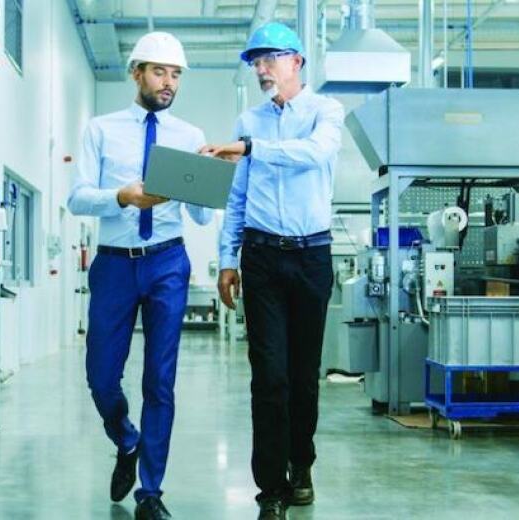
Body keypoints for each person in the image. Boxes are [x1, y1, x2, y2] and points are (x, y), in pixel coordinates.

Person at [202, 21, 345, 520]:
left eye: (269, 59)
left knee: (304, 376)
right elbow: (237, 199)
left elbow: (316, 154)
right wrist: (226, 259)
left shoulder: (326, 112)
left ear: (296, 62)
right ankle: (271, 490)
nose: (261, 69)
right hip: (261, 259)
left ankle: (301, 464)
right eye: (255, 61)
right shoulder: (250, 119)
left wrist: (252, 149)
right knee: (269, 377)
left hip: (312, 257)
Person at [67, 31, 212, 520]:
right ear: (136, 73)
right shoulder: (101, 129)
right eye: (159, 71)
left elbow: (202, 218)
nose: (168, 82)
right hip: (113, 262)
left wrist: (205, 181)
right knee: (101, 376)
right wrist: (122, 196)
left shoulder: (189, 137)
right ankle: (125, 439)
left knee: (160, 380)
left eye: (175, 74)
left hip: (168, 261)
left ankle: (150, 491)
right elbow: (76, 197)